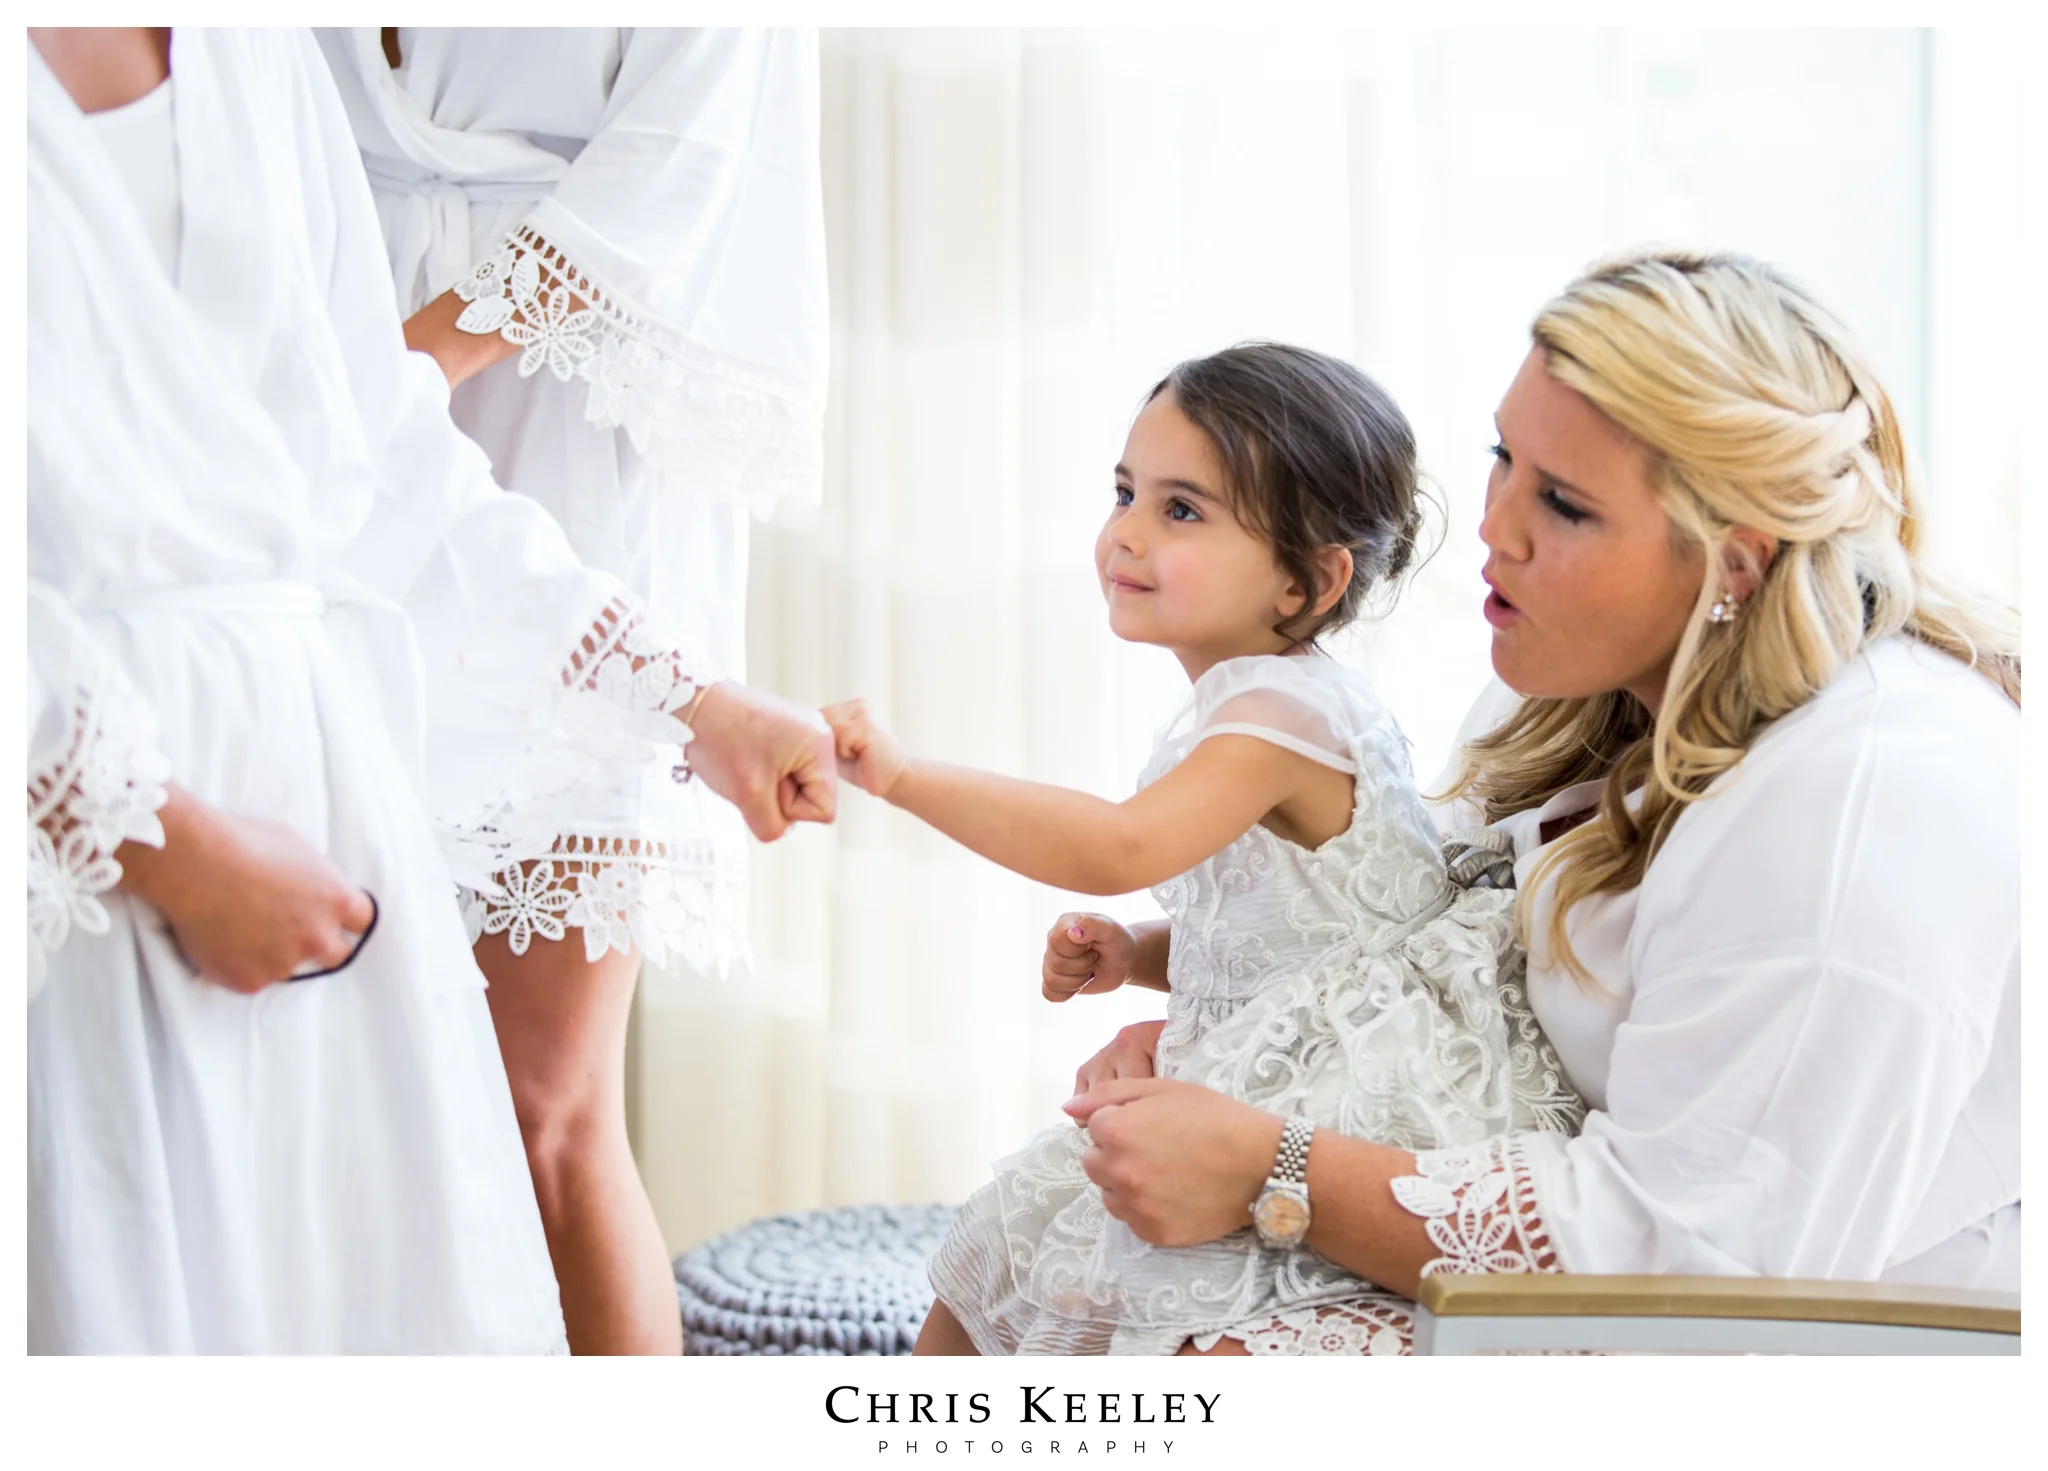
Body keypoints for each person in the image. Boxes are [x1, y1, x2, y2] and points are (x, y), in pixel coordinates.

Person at [26, 26, 835, 1355]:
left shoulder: (248, 51)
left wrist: (691, 700)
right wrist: (163, 843)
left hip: (303, 770)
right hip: (92, 824)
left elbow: (374, 450)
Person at [1059, 248, 2021, 1355]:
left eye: (1560, 504)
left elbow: (1700, 1258)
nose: (1492, 527)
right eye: (1501, 458)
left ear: (1734, 565)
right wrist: (1225, 1044)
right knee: (1061, 1292)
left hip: (1815, 1346)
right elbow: (1417, 949)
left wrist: (1272, 1168)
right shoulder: (1591, 688)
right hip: (1596, 1254)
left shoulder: (1863, 815)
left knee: (1150, 1362)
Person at [824, 344, 1589, 1356]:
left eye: (1180, 510)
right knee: (1000, 1262)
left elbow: (1117, 843)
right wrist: (1138, 952)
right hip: (1284, 1035)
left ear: (1306, 580)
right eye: (1124, 491)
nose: (1125, 533)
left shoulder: (1282, 709)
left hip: (1352, 1086)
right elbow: (1298, 930)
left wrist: (903, 776)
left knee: (1054, 1250)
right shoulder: (1252, 697)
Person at [313, 27, 829, 1353]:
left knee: (543, 1107)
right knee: (332, 1106)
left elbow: (691, 163)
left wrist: (408, 366)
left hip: (572, 442)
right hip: (310, 433)